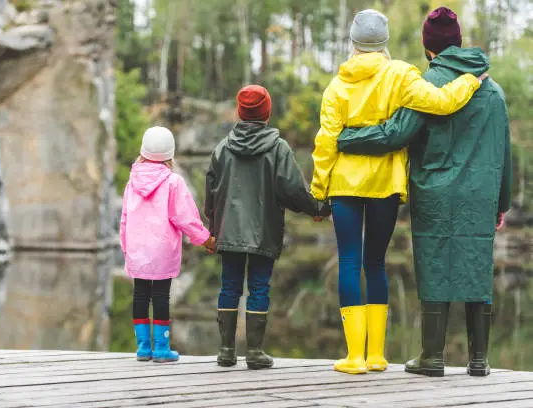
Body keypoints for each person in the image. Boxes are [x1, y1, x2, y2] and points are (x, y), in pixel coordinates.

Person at [310, 9, 488, 375]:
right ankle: (377, 355)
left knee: (348, 261)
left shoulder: (337, 86)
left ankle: (354, 357)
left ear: (353, 42)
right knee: (375, 262)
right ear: (384, 41)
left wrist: (319, 189)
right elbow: (442, 102)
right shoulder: (402, 75)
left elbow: (326, 142)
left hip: (344, 183)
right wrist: (470, 80)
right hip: (385, 185)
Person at [205, 85, 330, 370]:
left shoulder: (222, 148)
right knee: (259, 287)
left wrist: (213, 227)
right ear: (267, 112)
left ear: (240, 112)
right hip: (264, 230)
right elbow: (293, 191)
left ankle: (226, 351)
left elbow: (211, 191)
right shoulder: (278, 148)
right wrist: (318, 209)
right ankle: (255, 352)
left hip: (228, 231)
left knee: (229, 286)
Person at [120, 126, 216, 363]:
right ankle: (161, 348)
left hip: (137, 248)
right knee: (161, 296)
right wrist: (204, 238)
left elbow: (124, 218)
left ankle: (143, 348)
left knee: (140, 295)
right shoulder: (173, 182)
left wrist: (126, 247)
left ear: (143, 151)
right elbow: (185, 217)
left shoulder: (132, 181)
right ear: (170, 154)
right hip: (162, 249)